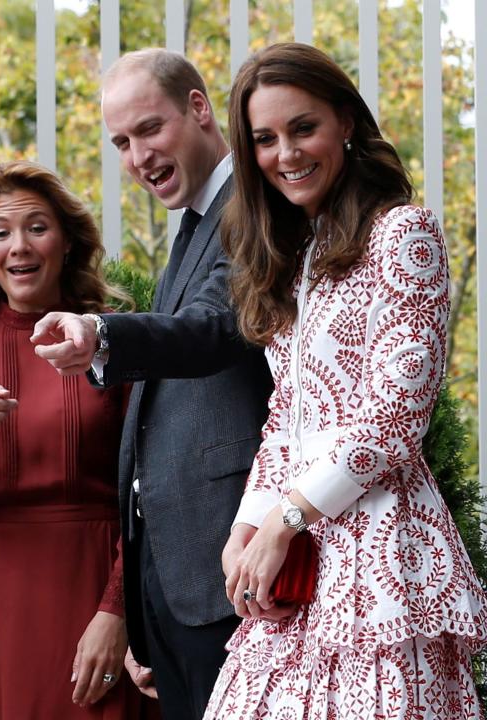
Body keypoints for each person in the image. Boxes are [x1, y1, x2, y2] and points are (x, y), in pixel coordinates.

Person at [204, 42, 487, 719]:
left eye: (303, 128)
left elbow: (394, 417)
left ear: (346, 123)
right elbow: (287, 416)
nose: (287, 154)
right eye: (265, 139)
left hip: (381, 553)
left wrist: (287, 519)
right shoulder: (294, 257)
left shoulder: (403, 233)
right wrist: (247, 527)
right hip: (294, 559)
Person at [30, 50, 272, 720]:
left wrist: (103, 336)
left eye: (149, 130)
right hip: (177, 586)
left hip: (232, 570)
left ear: (198, 109)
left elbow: (216, 328)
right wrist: (144, 608)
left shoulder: (252, 206)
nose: (138, 156)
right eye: (121, 143)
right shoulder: (194, 224)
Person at [0, 160, 150, 719]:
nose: (19, 246)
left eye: (36, 228)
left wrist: (117, 612)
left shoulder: (114, 340)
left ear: (66, 242)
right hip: (1, 592)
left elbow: (148, 492)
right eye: (1, 233)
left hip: (97, 580)